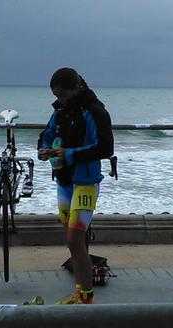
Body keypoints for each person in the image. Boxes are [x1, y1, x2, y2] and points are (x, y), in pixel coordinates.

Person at [38, 67, 114, 304]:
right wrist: (44, 148)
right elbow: (46, 135)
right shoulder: (60, 111)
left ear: (76, 87)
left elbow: (104, 148)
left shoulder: (94, 111)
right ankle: (81, 291)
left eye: (62, 94)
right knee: (74, 240)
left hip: (86, 183)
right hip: (64, 182)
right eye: (56, 95)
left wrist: (68, 154)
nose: (59, 99)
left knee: (73, 239)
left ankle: (86, 297)